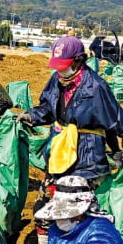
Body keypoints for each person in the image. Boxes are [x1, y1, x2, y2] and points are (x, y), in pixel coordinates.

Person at [16, 36, 123, 243]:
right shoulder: (56, 80)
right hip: (60, 150)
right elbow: (47, 108)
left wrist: (117, 151)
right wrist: (32, 115)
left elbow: (113, 121)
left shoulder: (96, 87)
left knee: (76, 208)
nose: (60, 71)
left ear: (78, 61)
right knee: (44, 206)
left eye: (64, 66)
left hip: (86, 155)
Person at [34, 175, 123, 244]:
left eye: (65, 215)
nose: (60, 220)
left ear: (80, 214)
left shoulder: (100, 233)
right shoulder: (55, 229)